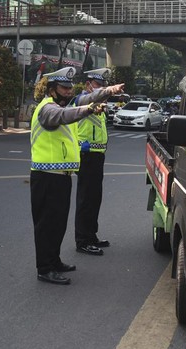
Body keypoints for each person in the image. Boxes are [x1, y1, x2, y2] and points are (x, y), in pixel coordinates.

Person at [30, 66, 124, 285]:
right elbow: (64, 116)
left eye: (70, 88)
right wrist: (89, 110)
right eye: (64, 88)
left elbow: (88, 98)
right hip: (45, 176)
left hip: (62, 175)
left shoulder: (66, 103)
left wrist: (108, 90)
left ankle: (54, 261)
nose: (69, 92)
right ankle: (44, 268)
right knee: (47, 225)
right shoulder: (47, 109)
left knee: (58, 223)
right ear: (52, 89)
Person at [74, 68, 112, 255]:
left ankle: (91, 235)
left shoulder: (99, 104)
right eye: (98, 86)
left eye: (103, 87)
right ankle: (82, 240)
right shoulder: (81, 102)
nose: (101, 90)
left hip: (97, 155)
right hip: (86, 155)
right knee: (86, 199)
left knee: (95, 197)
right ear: (88, 85)